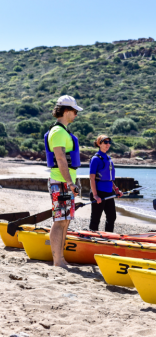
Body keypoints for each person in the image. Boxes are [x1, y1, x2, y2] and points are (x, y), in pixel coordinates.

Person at [44, 95, 82, 269]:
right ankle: (57, 260)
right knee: (60, 221)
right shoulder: (58, 132)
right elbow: (60, 159)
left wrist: (73, 181)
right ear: (66, 111)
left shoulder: (63, 131)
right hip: (60, 182)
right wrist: (69, 182)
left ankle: (61, 258)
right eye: (74, 111)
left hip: (64, 182)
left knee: (65, 220)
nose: (76, 115)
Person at [89, 135, 123, 232]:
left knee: (112, 217)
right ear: (99, 144)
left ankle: (108, 236)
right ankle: (92, 237)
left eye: (109, 142)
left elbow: (109, 178)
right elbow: (92, 177)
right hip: (99, 192)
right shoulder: (95, 159)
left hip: (109, 192)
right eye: (105, 142)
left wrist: (116, 189)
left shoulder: (108, 158)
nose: (108, 144)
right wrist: (95, 195)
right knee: (96, 218)